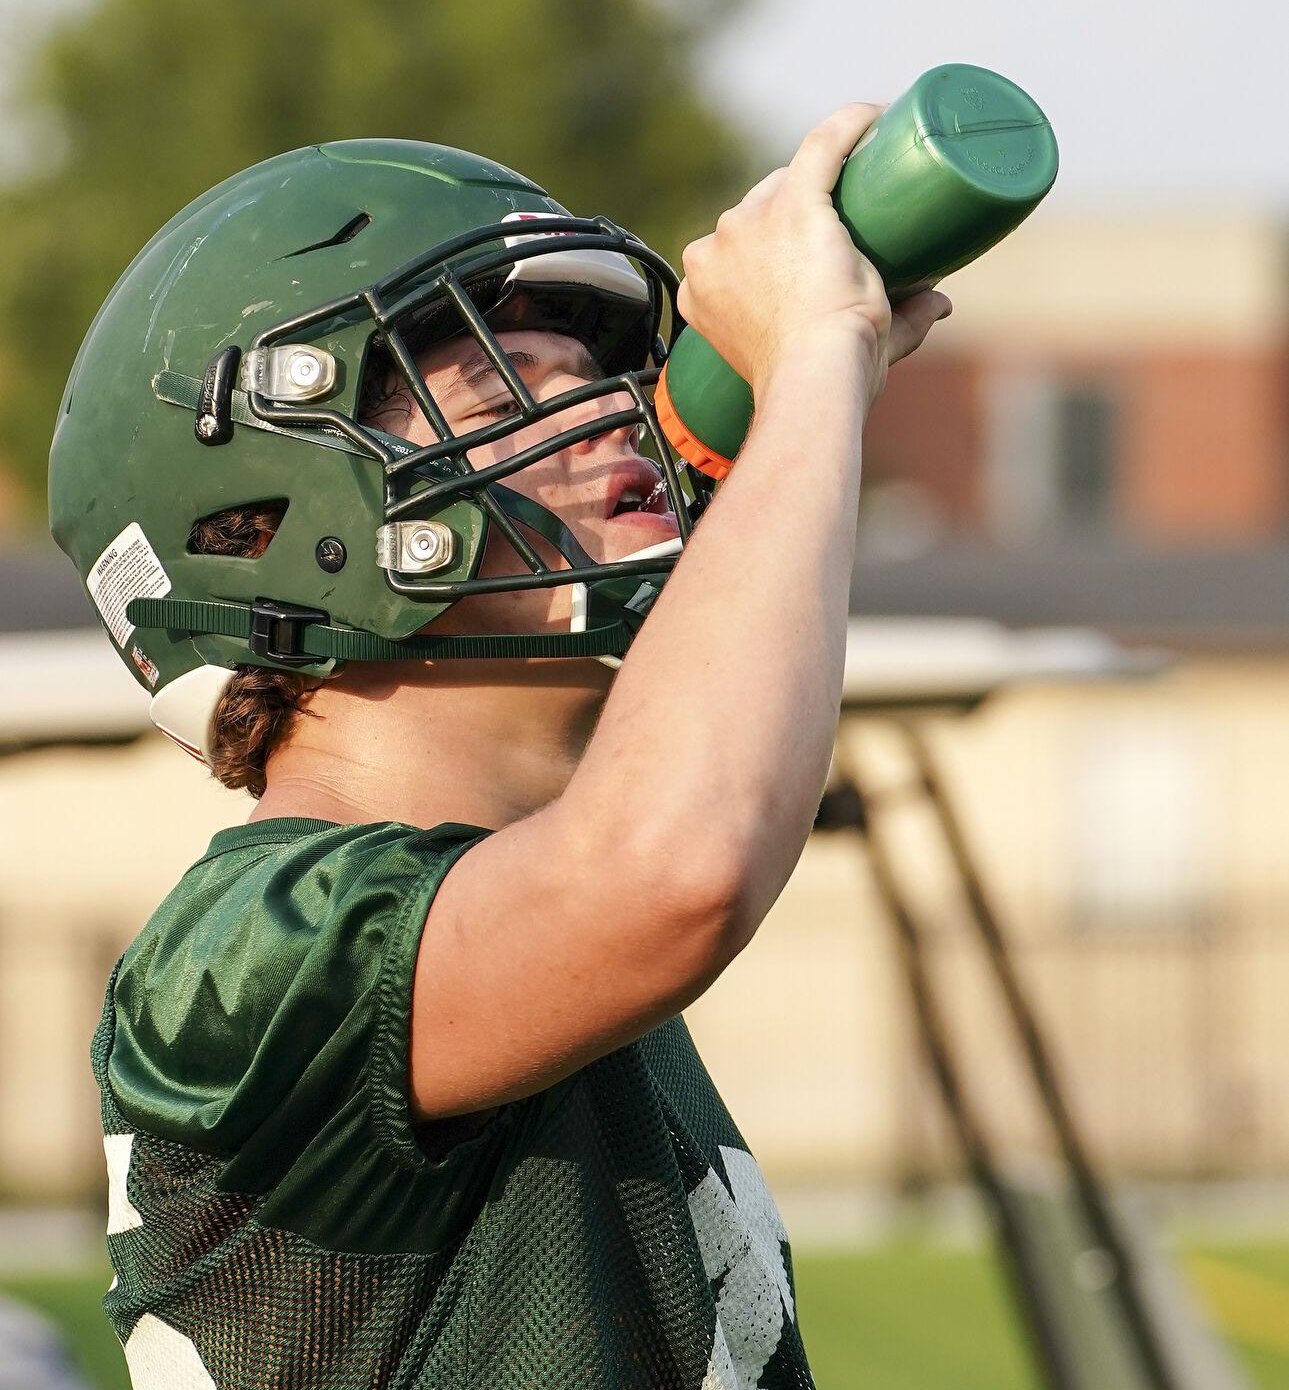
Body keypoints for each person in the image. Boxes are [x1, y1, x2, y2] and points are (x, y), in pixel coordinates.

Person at [49, 103, 950, 1389]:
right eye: (505, 382)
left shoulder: (530, 911)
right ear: (259, 522)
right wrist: (812, 356)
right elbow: (675, 866)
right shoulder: (244, 954)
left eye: (590, 373)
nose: (606, 414)